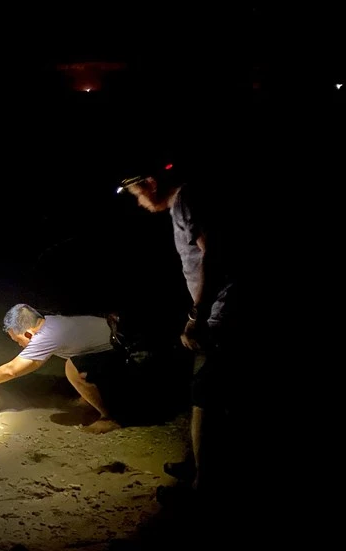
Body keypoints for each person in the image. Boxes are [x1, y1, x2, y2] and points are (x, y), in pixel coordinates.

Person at [117, 161, 242, 502]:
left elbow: (212, 254)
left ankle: (205, 485)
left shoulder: (187, 199)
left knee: (207, 393)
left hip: (224, 311)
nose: (137, 202)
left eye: (135, 193)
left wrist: (198, 315)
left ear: (151, 184)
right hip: (219, 309)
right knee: (211, 390)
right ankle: (202, 463)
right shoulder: (184, 203)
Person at [0, 303, 124, 434]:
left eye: (17, 340)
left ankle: (110, 418)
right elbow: (18, 366)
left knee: (73, 367)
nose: (19, 345)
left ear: (28, 334)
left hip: (128, 354)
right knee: (77, 361)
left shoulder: (46, 336)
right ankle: (90, 398)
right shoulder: (51, 322)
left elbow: (12, 370)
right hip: (117, 345)